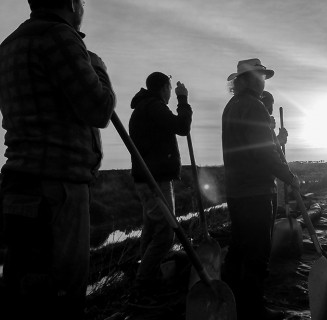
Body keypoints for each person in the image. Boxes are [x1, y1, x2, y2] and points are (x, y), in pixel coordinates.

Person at [0, 0, 116, 318]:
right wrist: (99, 68)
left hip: (19, 184)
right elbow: (99, 108)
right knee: (63, 292)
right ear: (69, 3)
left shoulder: (8, 45)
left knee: (23, 288)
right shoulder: (60, 37)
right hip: (58, 189)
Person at [221, 58, 300, 320]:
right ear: (244, 80)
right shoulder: (254, 107)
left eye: (262, 75)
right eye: (258, 76)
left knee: (239, 247)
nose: (261, 79)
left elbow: (256, 146)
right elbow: (265, 152)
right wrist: (288, 177)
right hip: (256, 191)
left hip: (237, 190)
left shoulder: (232, 106)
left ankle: (227, 300)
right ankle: (253, 309)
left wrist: (277, 142)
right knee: (257, 252)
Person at [127, 72, 192, 306]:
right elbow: (182, 127)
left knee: (152, 228)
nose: (171, 92)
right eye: (170, 88)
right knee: (165, 234)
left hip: (147, 179)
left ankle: (147, 278)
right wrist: (183, 100)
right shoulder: (153, 107)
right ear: (163, 87)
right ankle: (142, 285)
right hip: (155, 181)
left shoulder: (144, 107)